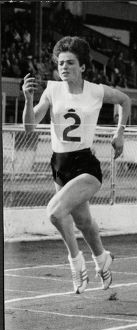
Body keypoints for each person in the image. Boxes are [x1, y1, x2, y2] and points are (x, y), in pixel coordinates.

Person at [22, 36, 131, 294]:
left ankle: (75, 262)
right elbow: (29, 126)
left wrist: (120, 133)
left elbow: (125, 100)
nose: (64, 67)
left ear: (82, 67)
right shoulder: (51, 89)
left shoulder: (95, 90)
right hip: (59, 165)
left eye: (70, 63)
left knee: (54, 212)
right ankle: (102, 258)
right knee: (83, 221)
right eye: (60, 63)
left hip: (85, 165)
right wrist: (28, 99)